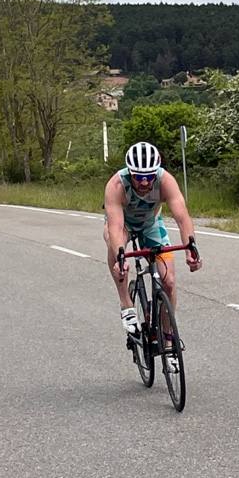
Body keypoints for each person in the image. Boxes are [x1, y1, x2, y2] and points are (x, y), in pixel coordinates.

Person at [103, 141, 202, 364]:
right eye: (139, 176)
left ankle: (168, 340)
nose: (145, 181)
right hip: (124, 225)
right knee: (112, 243)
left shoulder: (165, 180)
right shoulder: (116, 185)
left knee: (168, 281)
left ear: (156, 170)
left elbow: (182, 217)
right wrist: (120, 255)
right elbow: (116, 227)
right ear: (130, 172)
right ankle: (126, 304)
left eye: (149, 175)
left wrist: (191, 248)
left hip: (151, 225)